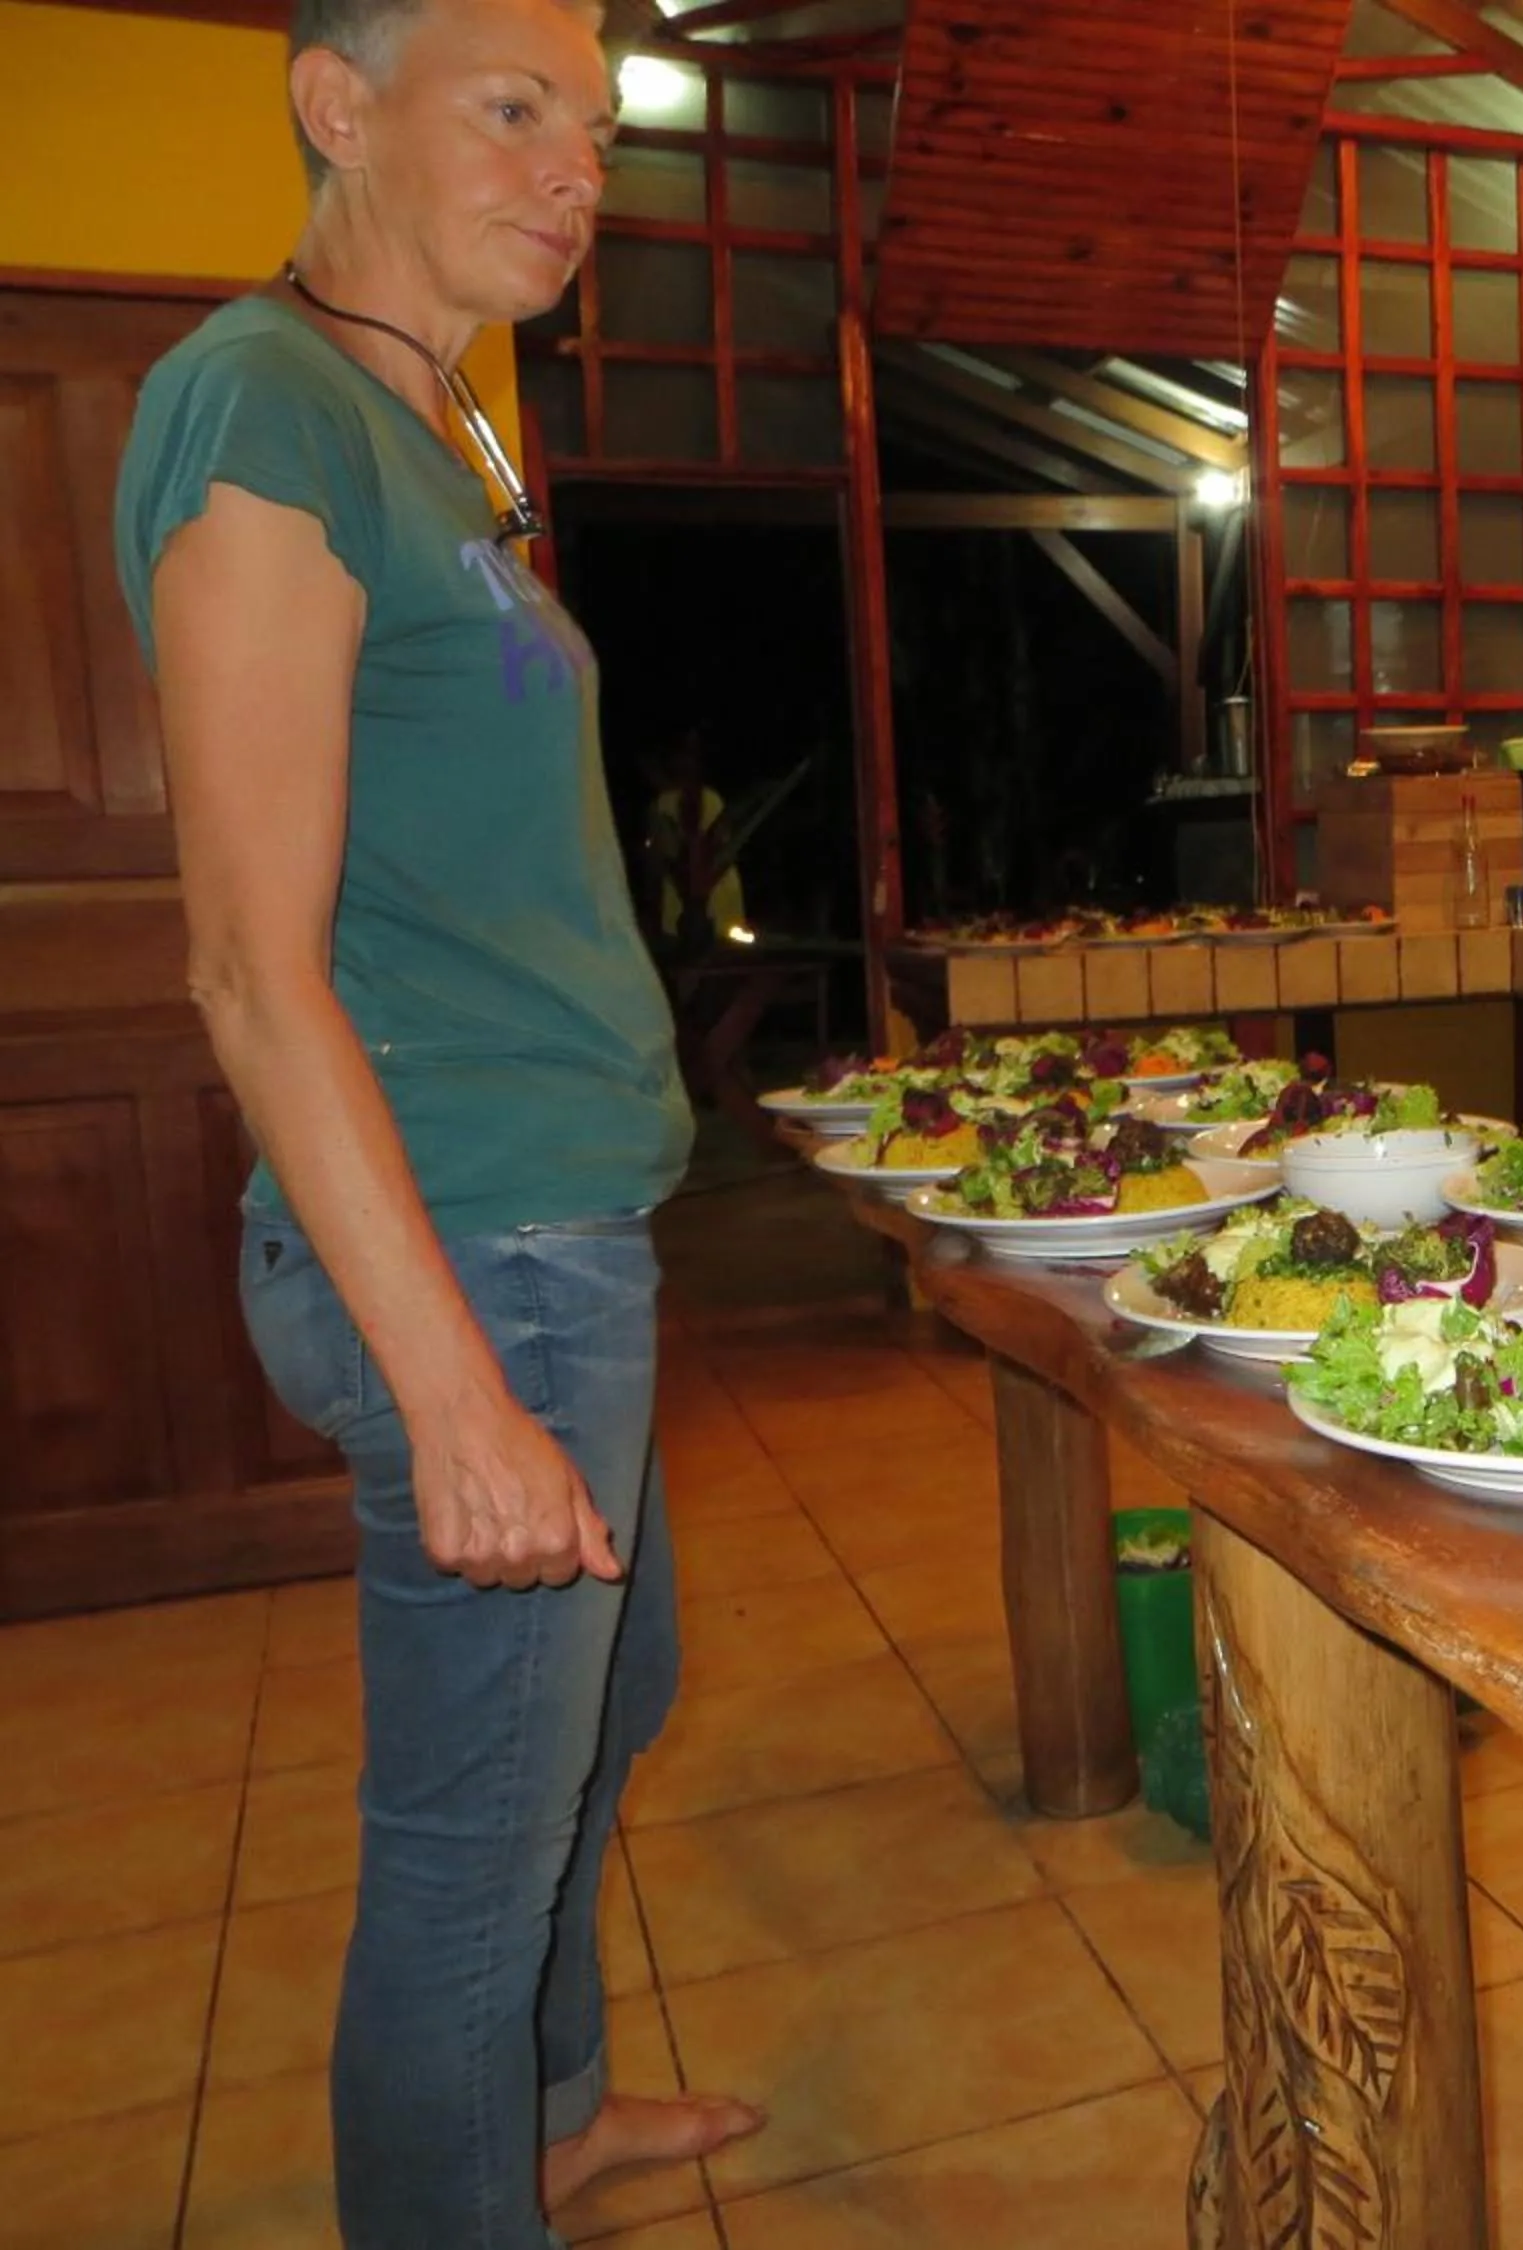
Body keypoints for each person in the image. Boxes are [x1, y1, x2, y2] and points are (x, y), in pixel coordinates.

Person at [112, 0, 762, 2239]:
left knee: (611, 1694)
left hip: (557, 1224)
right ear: (335, 106)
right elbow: (244, 963)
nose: (577, 168)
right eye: (514, 111)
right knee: (469, 1845)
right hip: (466, 1242)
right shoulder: (259, 406)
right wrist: (456, 1393)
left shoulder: (440, 432)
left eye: (591, 125)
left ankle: (550, 2111)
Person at [643, 723, 748, 945]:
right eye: (683, 753)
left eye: (693, 754)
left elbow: (725, 852)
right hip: (681, 913)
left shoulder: (712, 799)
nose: (688, 762)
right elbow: (658, 863)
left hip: (717, 909)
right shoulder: (663, 806)